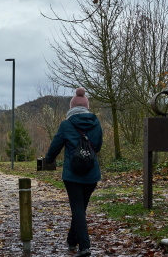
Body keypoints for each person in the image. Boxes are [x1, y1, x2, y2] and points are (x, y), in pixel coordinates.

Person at [45, 88, 103, 257]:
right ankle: (72, 241)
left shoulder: (66, 124)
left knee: (78, 209)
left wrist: (49, 159)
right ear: (87, 107)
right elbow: (97, 147)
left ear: (71, 107)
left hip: (73, 175)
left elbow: (55, 146)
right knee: (80, 209)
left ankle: (84, 247)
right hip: (92, 175)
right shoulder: (96, 122)